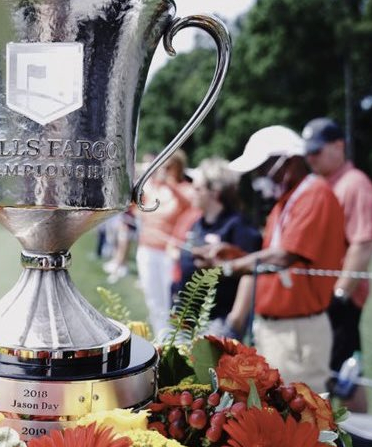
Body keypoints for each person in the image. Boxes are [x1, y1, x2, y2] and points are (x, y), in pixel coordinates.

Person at [198, 126, 346, 391]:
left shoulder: (314, 194)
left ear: (288, 161)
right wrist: (230, 253)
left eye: (263, 168)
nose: (258, 177)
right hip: (278, 329)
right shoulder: (288, 200)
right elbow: (271, 259)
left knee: (302, 418)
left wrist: (231, 266)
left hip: (296, 331)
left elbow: (283, 257)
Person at [303, 117, 372, 412]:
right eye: (308, 152)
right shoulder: (325, 184)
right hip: (323, 296)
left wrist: (340, 293)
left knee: (344, 373)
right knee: (330, 370)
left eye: (317, 151)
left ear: (339, 146)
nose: (311, 158)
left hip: (339, 299)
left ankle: (365, 441)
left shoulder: (355, 184)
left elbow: (363, 244)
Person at [175, 159, 262, 336]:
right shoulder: (199, 223)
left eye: (198, 188)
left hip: (217, 322)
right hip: (187, 319)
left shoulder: (239, 226)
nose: (192, 192)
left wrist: (235, 320)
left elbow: (249, 274)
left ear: (215, 192)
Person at [136, 149, 192, 337]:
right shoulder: (152, 187)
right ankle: (161, 337)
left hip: (168, 253)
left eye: (168, 166)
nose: (164, 170)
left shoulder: (184, 189)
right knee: (153, 298)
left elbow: (189, 203)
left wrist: (169, 183)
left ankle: (173, 340)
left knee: (171, 300)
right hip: (147, 249)